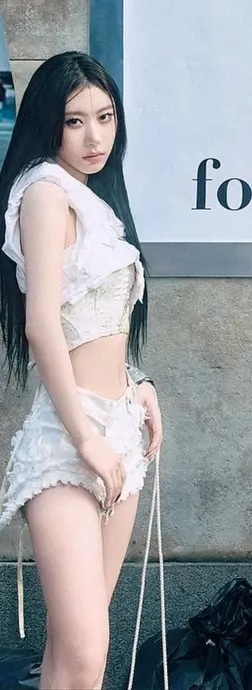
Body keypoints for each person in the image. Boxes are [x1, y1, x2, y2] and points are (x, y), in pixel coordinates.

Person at [0, 51, 162, 689]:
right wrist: (87, 438)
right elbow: (42, 324)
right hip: (72, 438)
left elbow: (97, 323)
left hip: (119, 430)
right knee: (86, 651)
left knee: (75, 653)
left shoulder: (94, 201)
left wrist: (139, 383)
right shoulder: (44, 192)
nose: (95, 136)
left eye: (105, 117)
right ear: (49, 123)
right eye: (75, 121)